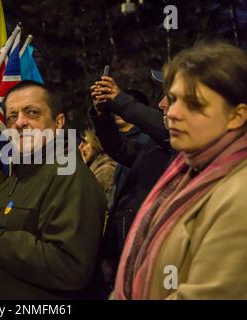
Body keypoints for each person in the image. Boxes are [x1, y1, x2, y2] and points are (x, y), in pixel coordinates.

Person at [114, 41, 247, 299]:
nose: (172, 113)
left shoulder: (240, 193)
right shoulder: (188, 169)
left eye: (194, 104)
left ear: (237, 115)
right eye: (173, 99)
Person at [0, 80, 107, 299]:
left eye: (32, 113)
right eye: (12, 116)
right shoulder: (11, 179)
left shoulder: (70, 177)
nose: (20, 123)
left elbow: (70, 267)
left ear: (58, 122)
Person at [89, 71, 174, 296]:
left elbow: (165, 129)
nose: (161, 103)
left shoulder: (176, 141)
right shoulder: (154, 148)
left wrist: (119, 100)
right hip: (123, 247)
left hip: (149, 255)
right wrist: (103, 116)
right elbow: (121, 150)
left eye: (173, 98)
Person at [79, 128, 116, 201]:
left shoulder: (105, 170)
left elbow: (86, 199)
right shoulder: (97, 167)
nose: (81, 147)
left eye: (86, 142)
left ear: (96, 142)